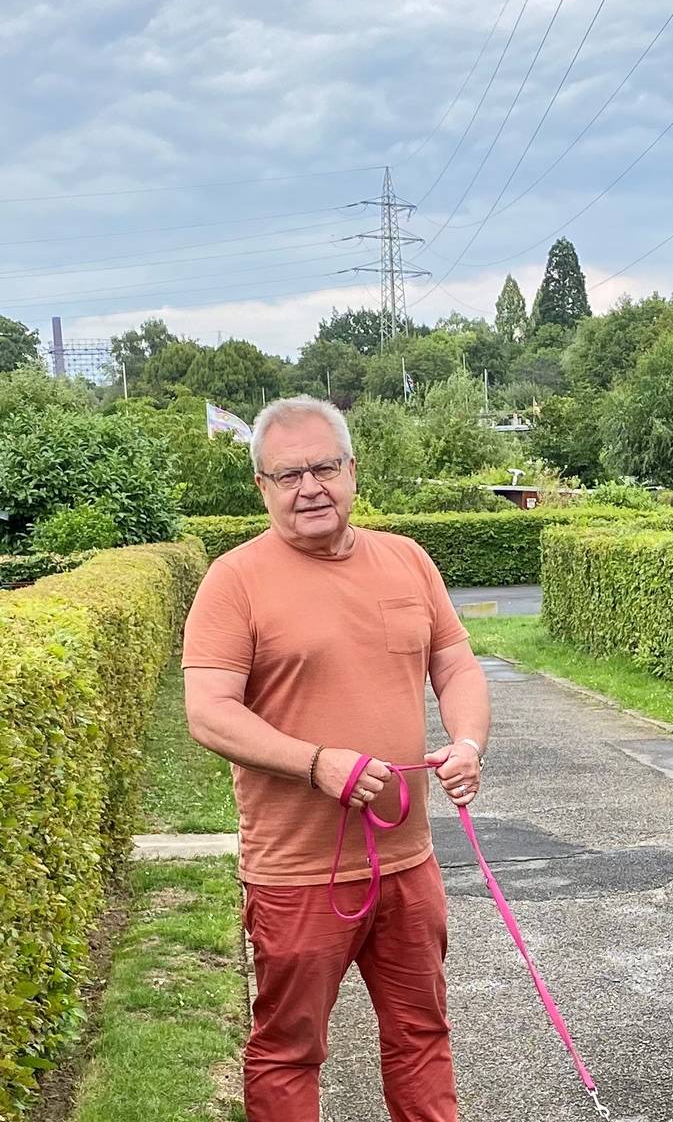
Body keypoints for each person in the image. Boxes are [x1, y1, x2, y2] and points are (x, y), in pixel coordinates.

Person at [182, 395, 491, 1122]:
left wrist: (468, 742)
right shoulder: (235, 580)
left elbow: (456, 666)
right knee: (290, 1050)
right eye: (288, 475)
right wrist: (318, 763)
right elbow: (209, 713)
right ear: (261, 487)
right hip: (297, 873)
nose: (309, 488)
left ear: (352, 470)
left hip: (408, 867)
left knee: (422, 1036)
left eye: (324, 467)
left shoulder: (407, 559)